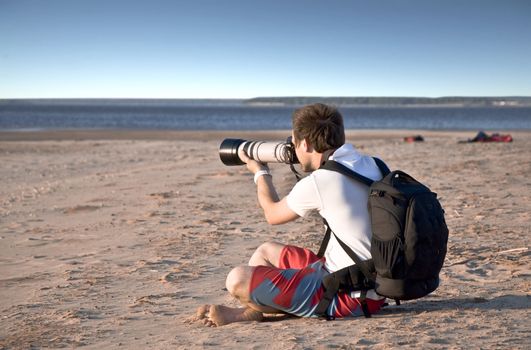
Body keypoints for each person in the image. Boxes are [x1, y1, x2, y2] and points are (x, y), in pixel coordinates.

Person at [194, 103, 386, 326]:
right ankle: (251, 309)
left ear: (305, 143)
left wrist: (260, 172)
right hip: (374, 283)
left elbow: (272, 214)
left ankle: (252, 309)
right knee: (265, 251)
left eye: (294, 143)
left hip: (346, 296)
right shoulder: (375, 165)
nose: (293, 150)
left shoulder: (322, 180)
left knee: (236, 279)